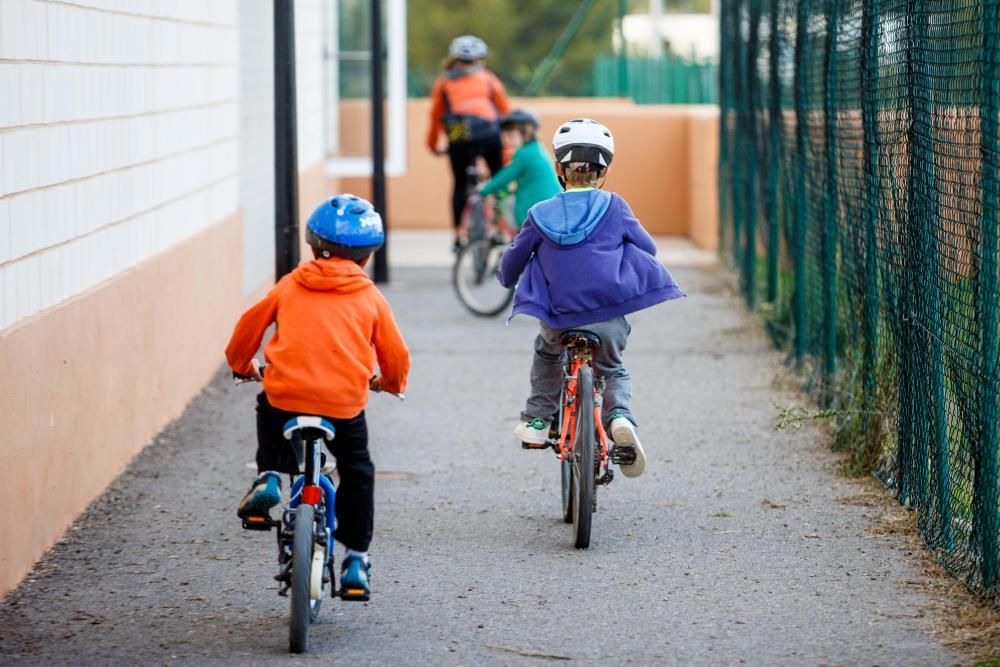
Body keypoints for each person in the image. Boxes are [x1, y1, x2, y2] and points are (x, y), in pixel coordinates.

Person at [225, 194, 410, 600]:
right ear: (366, 257)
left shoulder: (290, 285)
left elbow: (246, 329)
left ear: (312, 245)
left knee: (268, 404)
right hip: (343, 403)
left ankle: (270, 475)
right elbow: (395, 355)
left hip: (286, 394)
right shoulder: (369, 297)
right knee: (358, 470)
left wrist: (242, 365)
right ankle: (356, 560)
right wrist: (390, 383)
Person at [497, 118, 684, 478]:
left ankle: (538, 419)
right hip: (607, 317)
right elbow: (648, 247)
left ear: (558, 170)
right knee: (612, 368)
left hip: (558, 317)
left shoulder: (538, 214)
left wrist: (506, 279)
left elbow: (513, 260)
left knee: (548, 352)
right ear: (604, 171)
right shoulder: (615, 206)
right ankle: (620, 419)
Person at [426, 34, 511, 249]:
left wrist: (433, 144)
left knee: (460, 185)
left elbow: (436, 116)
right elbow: (504, 112)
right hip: (489, 133)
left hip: (459, 135)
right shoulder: (489, 79)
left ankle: (457, 235)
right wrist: (508, 145)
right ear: (479, 59)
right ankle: (499, 229)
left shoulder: (444, 83)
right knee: (498, 179)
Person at [477, 109, 563, 228]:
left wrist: (483, 190)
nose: (508, 140)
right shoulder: (536, 149)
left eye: (511, 135)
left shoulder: (524, 154)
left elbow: (505, 177)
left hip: (538, 208)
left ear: (526, 134)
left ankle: (519, 235)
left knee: (507, 203)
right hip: (551, 205)